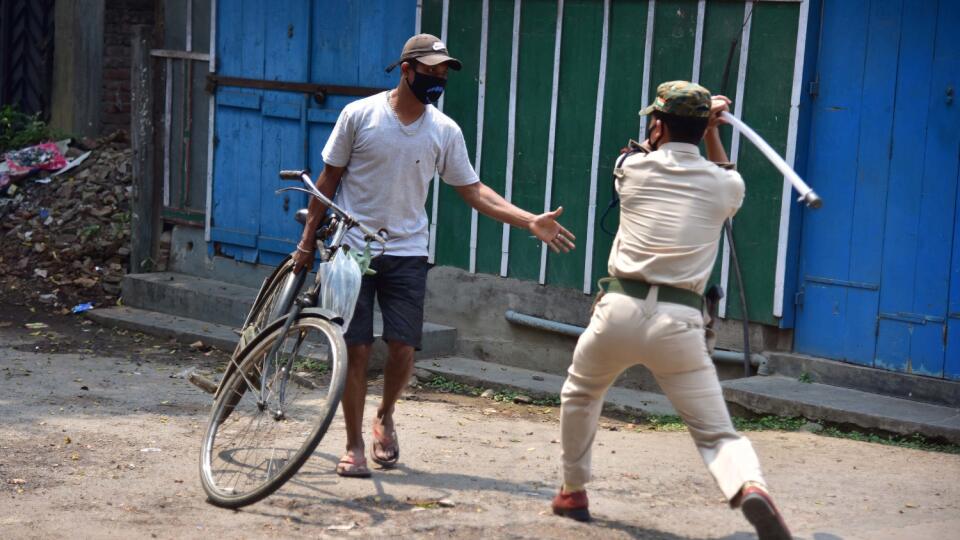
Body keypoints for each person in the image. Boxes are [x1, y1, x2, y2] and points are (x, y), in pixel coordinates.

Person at [292, 34, 576, 478]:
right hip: (350, 249)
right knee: (357, 347)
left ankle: (384, 414)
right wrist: (308, 242)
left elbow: (473, 190)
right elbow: (328, 180)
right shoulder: (359, 115)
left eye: (444, 72)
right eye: (430, 70)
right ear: (407, 70)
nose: (438, 78)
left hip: (406, 251)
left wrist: (527, 220)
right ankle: (352, 445)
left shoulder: (444, 131)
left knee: (404, 347)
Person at [551, 81, 791, 540]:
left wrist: (694, 124)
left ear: (657, 125)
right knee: (717, 433)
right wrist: (714, 127)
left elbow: (640, 151)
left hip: (618, 308)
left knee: (581, 394)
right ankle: (747, 484)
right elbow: (722, 172)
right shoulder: (727, 186)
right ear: (702, 131)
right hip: (679, 322)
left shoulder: (632, 170)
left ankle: (573, 492)